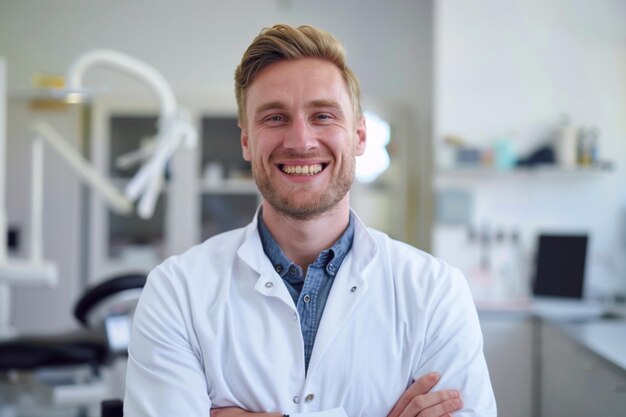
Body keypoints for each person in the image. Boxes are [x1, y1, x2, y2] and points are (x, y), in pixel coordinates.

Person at [124, 23, 496, 417]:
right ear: (247, 141)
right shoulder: (176, 293)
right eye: (274, 118)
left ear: (359, 136)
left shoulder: (435, 293)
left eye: (322, 115)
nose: (301, 141)